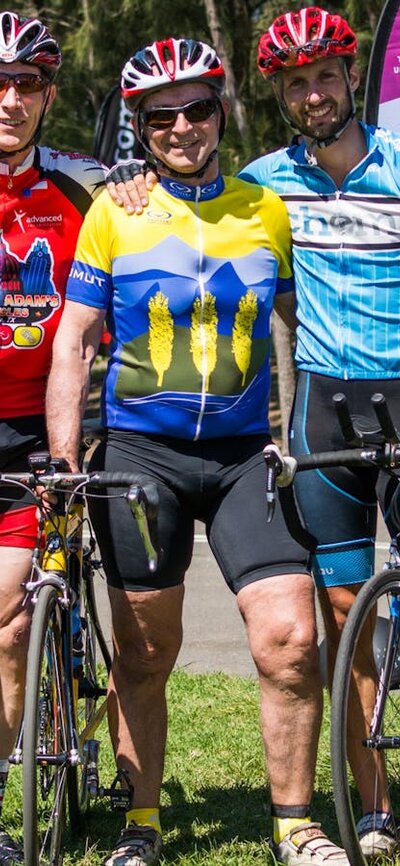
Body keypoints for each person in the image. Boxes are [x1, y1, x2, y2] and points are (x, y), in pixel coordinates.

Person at [46, 36, 351, 866]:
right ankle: (141, 821)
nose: (181, 127)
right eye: (160, 116)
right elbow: (72, 341)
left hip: (246, 454)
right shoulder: (117, 208)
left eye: (197, 109)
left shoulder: (267, 207)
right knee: (145, 652)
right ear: (139, 130)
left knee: (290, 640)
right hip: (141, 457)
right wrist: (67, 460)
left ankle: (296, 823)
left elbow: (308, 325)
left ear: (221, 112)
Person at [105, 8, 400, 859]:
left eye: (327, 77)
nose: (314, 94)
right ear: (275, 95)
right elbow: (179, 190)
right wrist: (126, 167)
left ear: (352, 80)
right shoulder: (268, 188)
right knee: (340, 617)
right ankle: (374, 811)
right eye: (295, 82)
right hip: (325, 416)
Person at [0, 11, 105, 864]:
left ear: (48, 94)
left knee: (7, 625)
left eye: (25, 83)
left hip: (46, 425)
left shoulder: (85, 183)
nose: (8, 99)